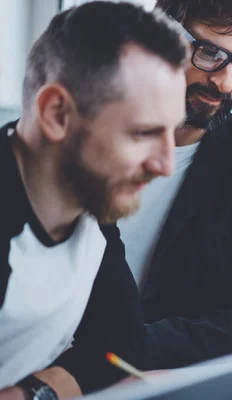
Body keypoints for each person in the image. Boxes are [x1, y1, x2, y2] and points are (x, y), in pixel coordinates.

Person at [0, 2, 188, 398]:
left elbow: (119, 340)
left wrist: (32, 393)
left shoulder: (89, 197)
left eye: (172, 131)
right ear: (57, 114)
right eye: (143, 132)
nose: (166, 165)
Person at [115, 0, 232, 370]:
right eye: (210, 53)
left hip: (179, 380)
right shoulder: (82, 137)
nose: (225, 81)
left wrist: (137, 347)